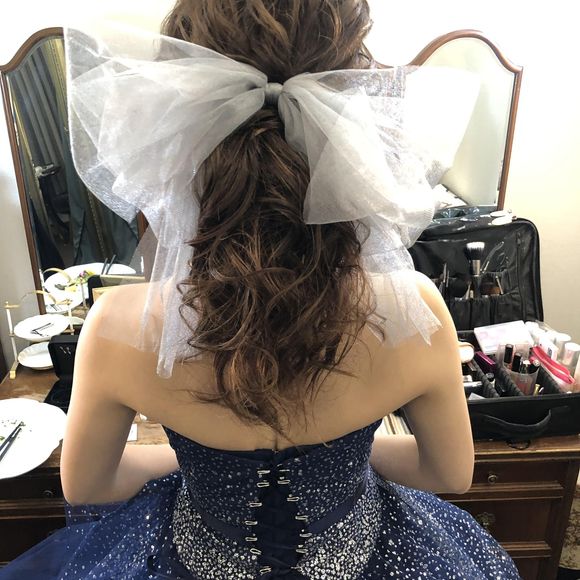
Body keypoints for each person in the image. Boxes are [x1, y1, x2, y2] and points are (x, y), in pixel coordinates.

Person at [0, 1, 521, 578]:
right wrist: (340, 461)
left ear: (174, 121)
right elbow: (449, 474)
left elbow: (89, 486)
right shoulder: (414, 311)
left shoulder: (118, 326)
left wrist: (202, 463)